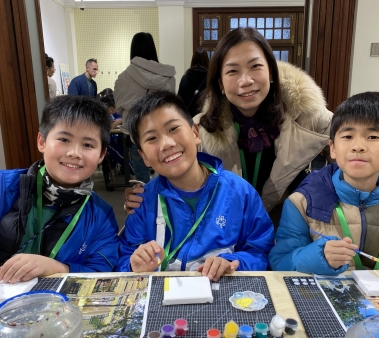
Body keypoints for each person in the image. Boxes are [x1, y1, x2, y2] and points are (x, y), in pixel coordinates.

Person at [124, 28, 333, 229]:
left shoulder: (309, 117)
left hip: (289, 230)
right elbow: (172, 170)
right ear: (221, 83)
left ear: (271, 71)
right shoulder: (201, 128)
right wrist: (144, 198)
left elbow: (349, 157)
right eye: (232, 71)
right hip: (227, 232)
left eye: (255, 66)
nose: (246, 81)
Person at [0, 95, 120, 283]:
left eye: (87, 145)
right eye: (64, 139)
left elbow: (103, 269)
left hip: (56, 300)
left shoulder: (101, 214)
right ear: (42, 142)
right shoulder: (1, 186)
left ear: (101, 155)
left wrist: (58, 268)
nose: (74, 153)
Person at [269, 91, 379, 276]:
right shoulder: (302, 203)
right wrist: (318, 256)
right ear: (333, 148)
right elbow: (280, 262)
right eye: (348, 136)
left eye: (373, 137)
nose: (358, 146)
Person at [116, 90, 274, 281]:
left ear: (195, 133)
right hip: (163, 295)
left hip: (221, 294)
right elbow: (125, 255)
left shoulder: (240, 193)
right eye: (151, 138)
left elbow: (260, 251)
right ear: (144, 157)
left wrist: (233, 262)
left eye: (173, 129)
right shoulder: (143, 201)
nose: (166, 144)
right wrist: (133, 265)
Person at [114, 32, 176, 184]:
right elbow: (171, 106)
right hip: (162, 131)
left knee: (141, 179)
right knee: (167, 173)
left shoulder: (123, 77)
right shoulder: (168, 77)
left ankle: (146, 199)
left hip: (136, 133)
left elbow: (119, 107)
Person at [177, 47, 210, 118]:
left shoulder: (185, 78)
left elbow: (179, 100)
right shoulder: (210, 79)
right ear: (206, 60)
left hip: (188, 118)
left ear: (193, 60)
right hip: (205, 118)